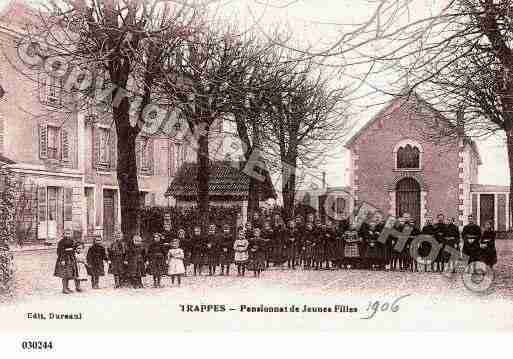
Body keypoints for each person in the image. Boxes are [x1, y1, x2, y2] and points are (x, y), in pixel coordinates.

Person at [54, 229, 79, 294]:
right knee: (65, 274)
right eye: (66, 233)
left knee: (69, 274)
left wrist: (76, 248)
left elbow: (75, 247)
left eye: (69, 233)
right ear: (63, 234)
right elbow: (59, 252)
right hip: (65, 259)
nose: (68, 235)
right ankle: (64, 288)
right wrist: (62, 259)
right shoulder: (61, 242)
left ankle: (67, 288)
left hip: (71, 258)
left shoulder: (72, 240)